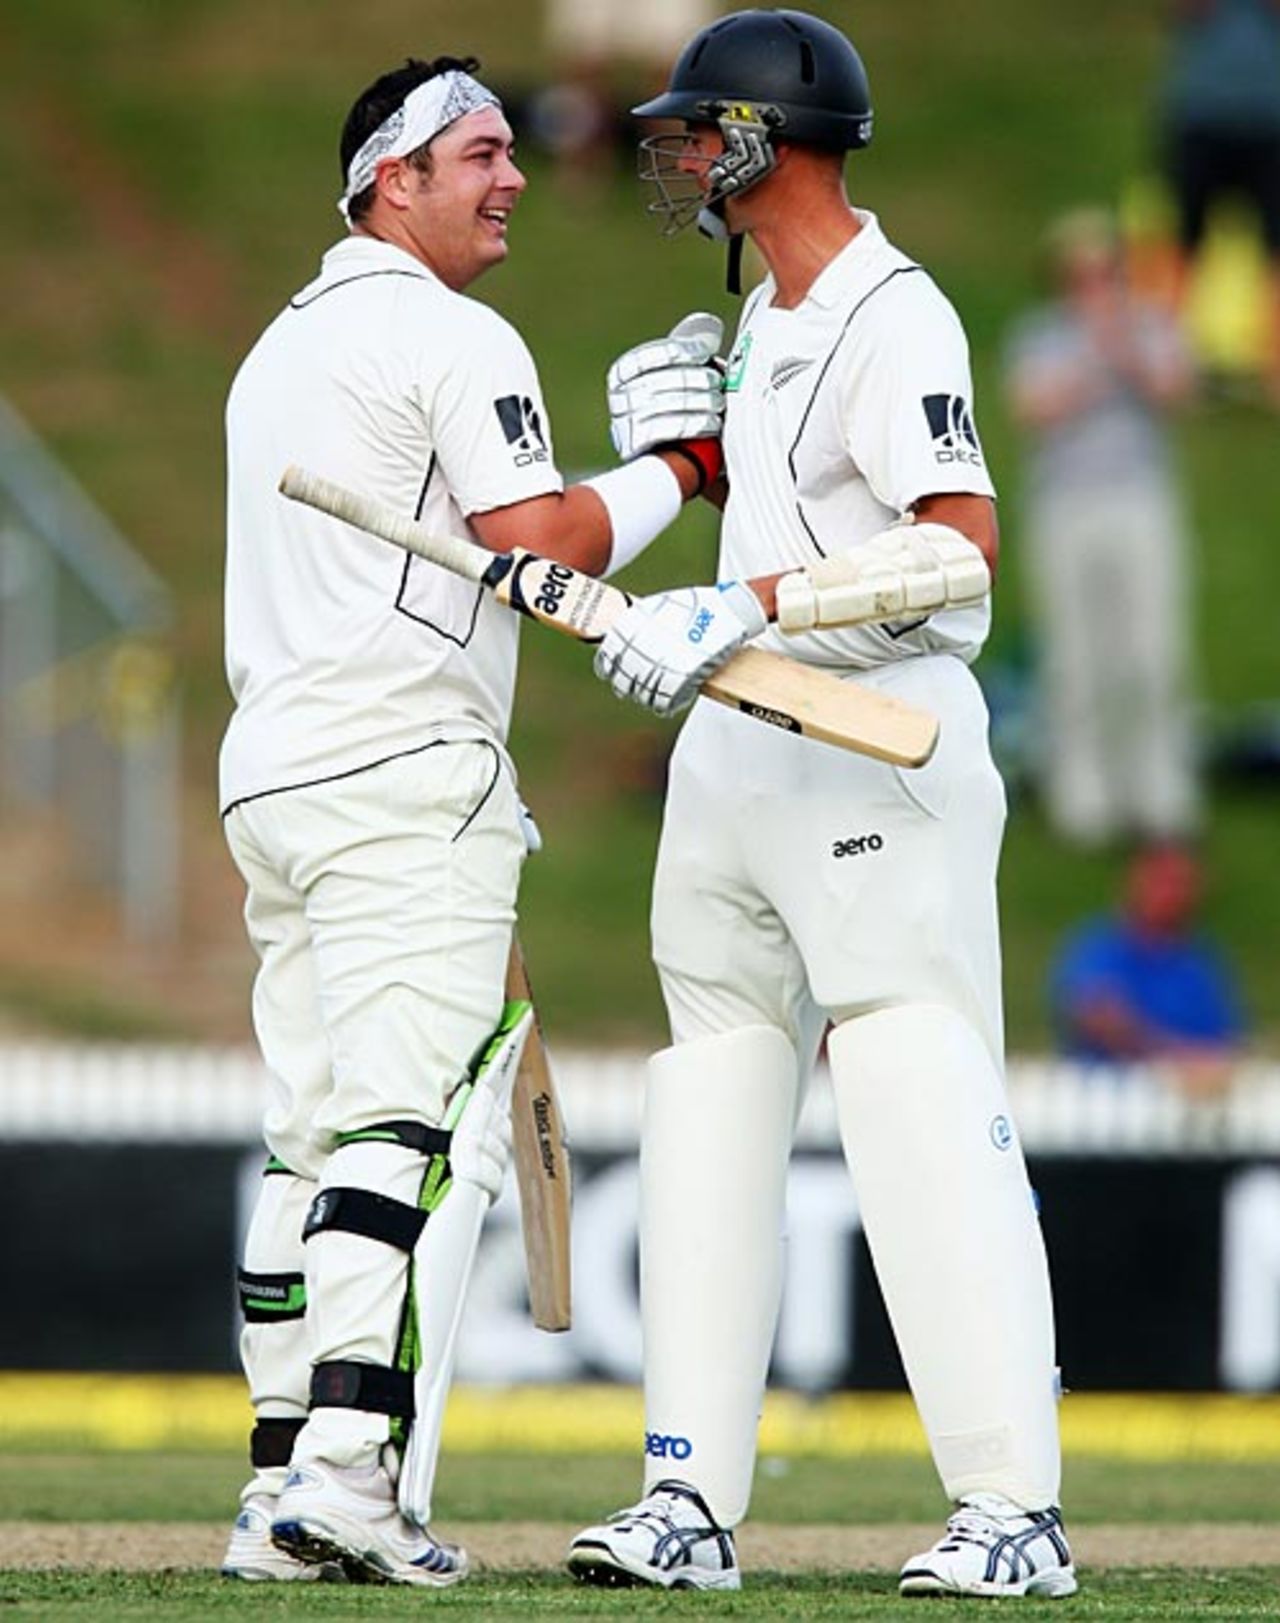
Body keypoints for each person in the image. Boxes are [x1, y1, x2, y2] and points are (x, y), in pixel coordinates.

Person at [566, 9, 1076, 1601]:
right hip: (740, 759)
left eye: (694, 130)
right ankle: (688, 1504)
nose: (674, 156)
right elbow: (779, 495)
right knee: (714, 1090)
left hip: (872, 745)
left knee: (913, 1073)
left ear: (760, 141)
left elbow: (961, 551)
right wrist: (696, 482)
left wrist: (751, 598)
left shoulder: (892, 312)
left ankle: (1014, 1509)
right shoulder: (762, 318)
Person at [217, 53, 723, 1587]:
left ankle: (279, 1481)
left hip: (276, 774)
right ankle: (352, 1477)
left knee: (307, 1137)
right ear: (395, 177)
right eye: (483, 152)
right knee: (403, 1126)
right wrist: (685, 468)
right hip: (401, 767)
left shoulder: (276, 348)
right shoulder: (450, 332)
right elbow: (541, 547)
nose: (514, 178)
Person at [1004, 207, 1200, 848]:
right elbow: (1033, 408)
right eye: (1082, 273)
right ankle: (1082, 796)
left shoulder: (1150, 328)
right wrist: (1093, 354)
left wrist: (1123, 347)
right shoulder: (1041, 335)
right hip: (1066, 507)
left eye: (1104, 270)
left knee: (1150, 650)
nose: (1095, 283)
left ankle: (1161, 789)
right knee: (1075, 656)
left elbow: (1175, 392)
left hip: (1139, 501)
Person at [1051, 841, 1246, 1096]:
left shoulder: (1202, 961)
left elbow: (1227, 1038)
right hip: (1108, 1098)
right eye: (1165, 882)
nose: (1175, 894)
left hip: (1189, 1101)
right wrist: (1178, 1057)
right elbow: (1097, 1016)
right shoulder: (1099, 947)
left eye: (1184, 884)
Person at [1158, 0, 1280, 398]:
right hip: (1203, 109)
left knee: (1274, 246)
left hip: (1269, 111)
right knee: (1185, 241)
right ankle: (1171, 361)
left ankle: (1273, 364)